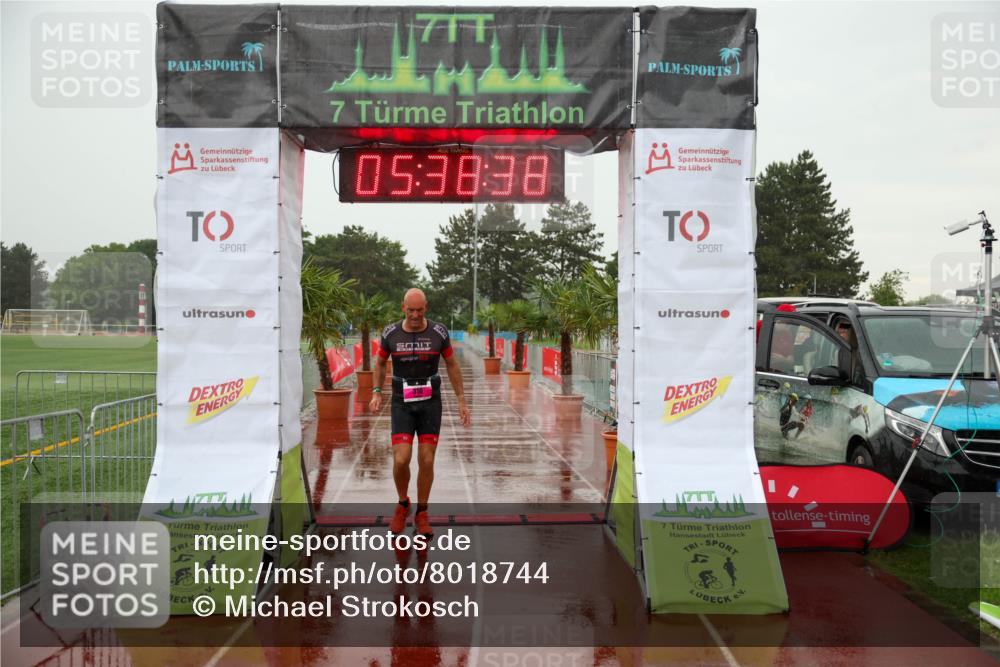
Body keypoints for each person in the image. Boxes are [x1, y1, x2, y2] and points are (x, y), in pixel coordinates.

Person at [369, 288, 471, 537]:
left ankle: (423, 512)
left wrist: (461, 399)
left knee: (426, 459)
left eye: (419, 310)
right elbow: (381, 363)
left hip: (430, 403)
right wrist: (376, 391)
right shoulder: (390, 333)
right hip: (401, 402)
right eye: (410, 310)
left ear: (426, 308)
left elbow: (452, 364)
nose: (415, 315)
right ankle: (403, 503)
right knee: (401, 458)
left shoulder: (439, 332)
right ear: (403, 307)